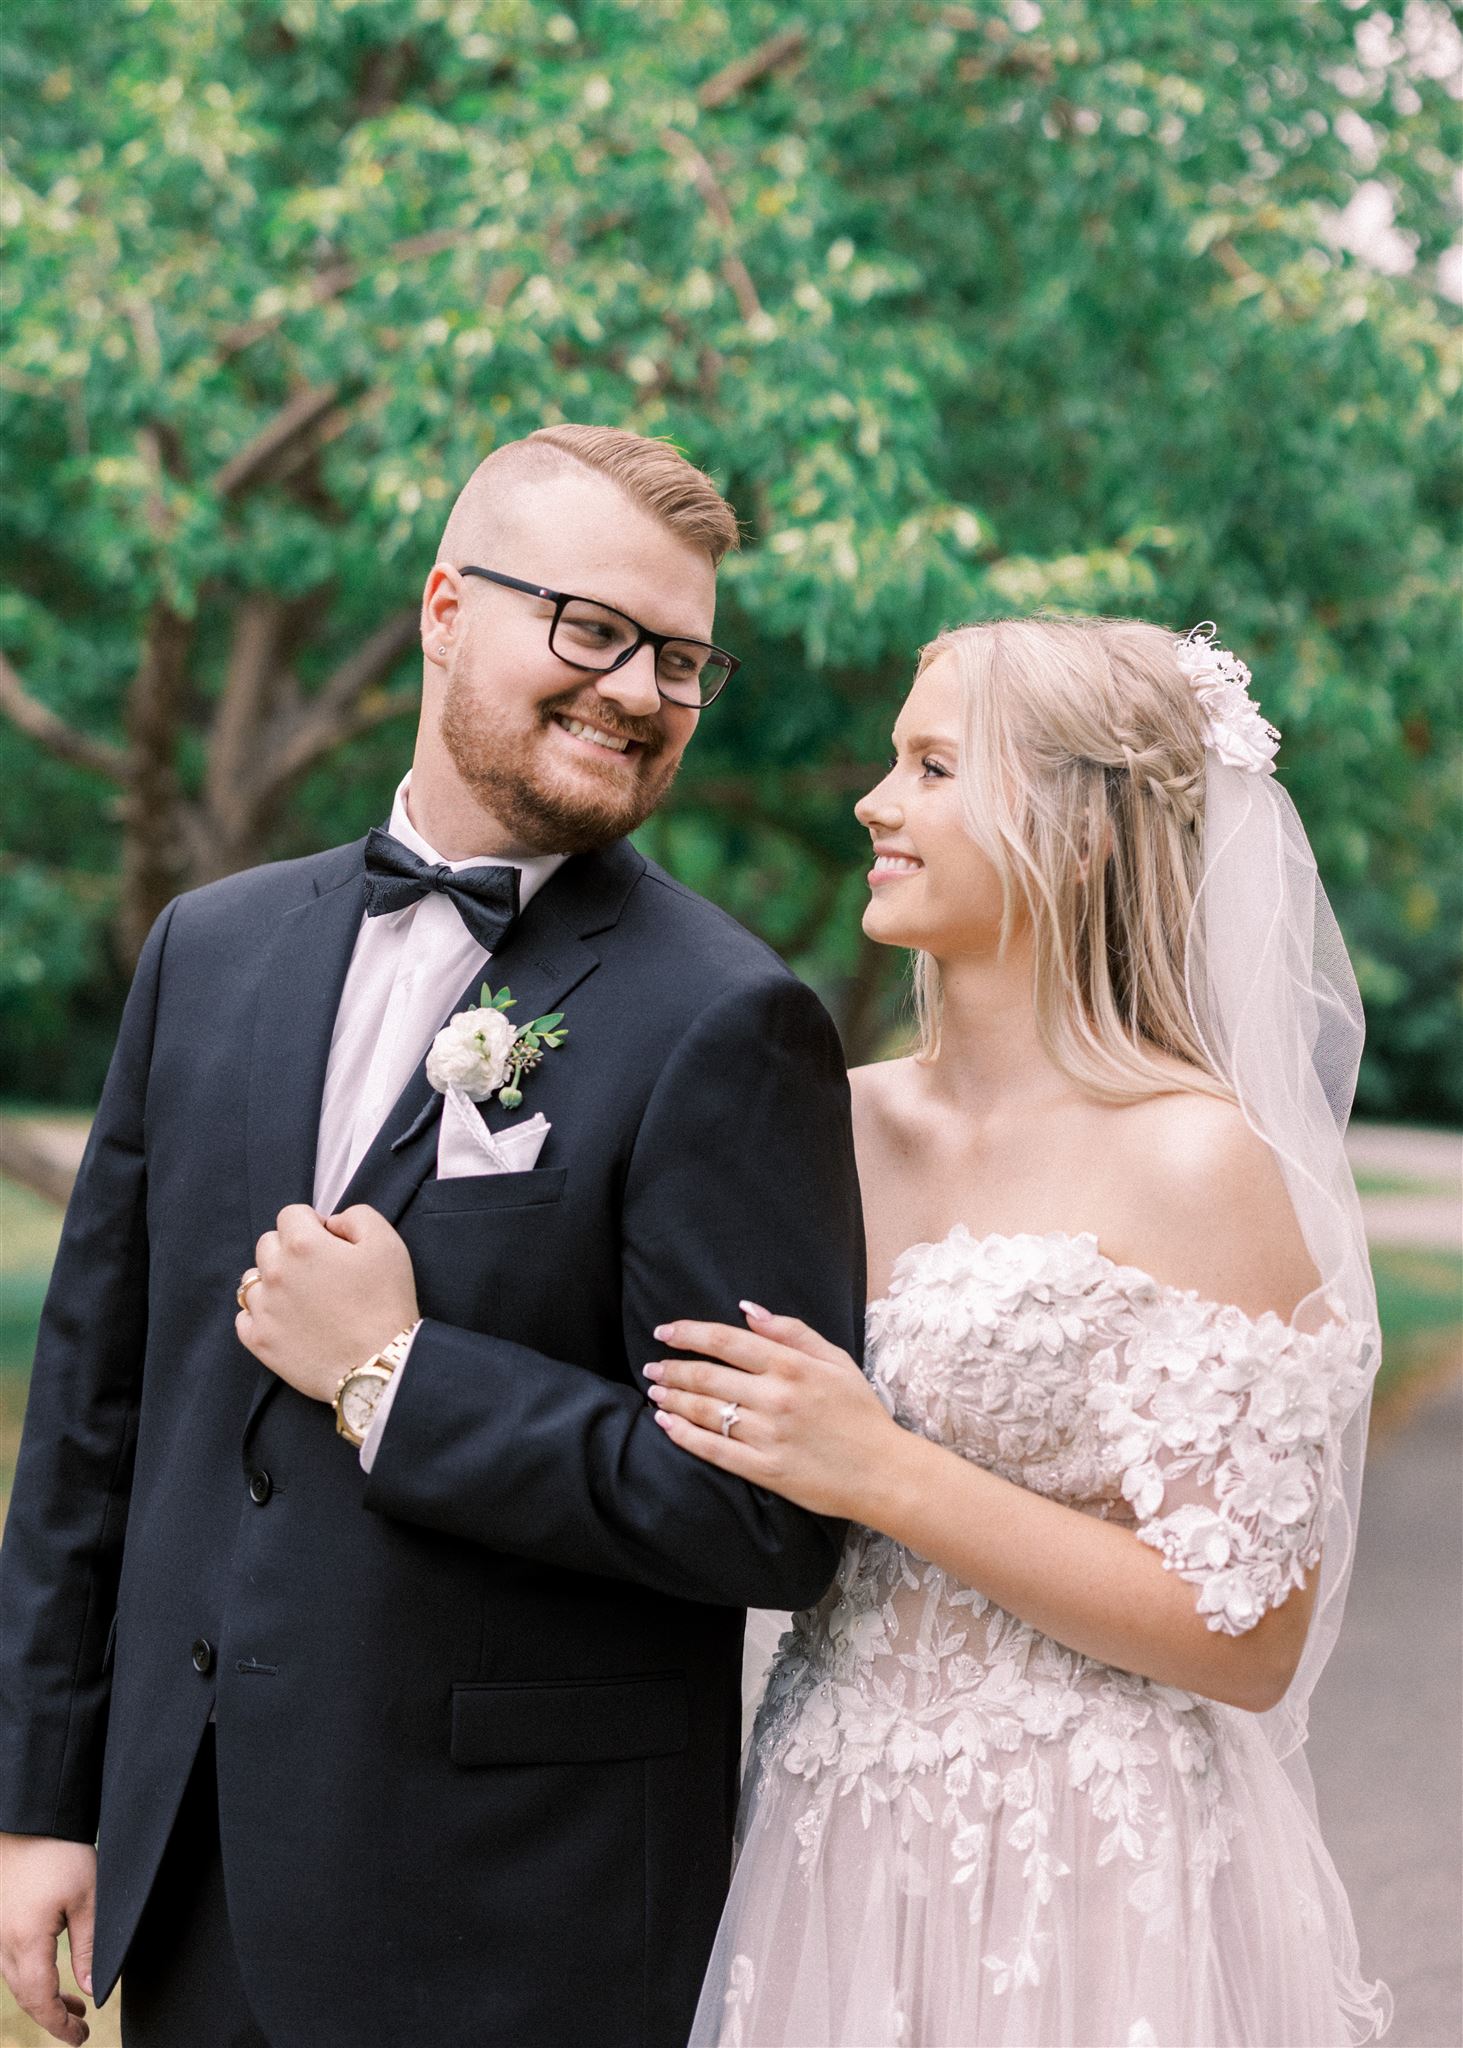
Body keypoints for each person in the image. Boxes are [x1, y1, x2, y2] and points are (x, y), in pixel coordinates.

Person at [0, 424, 864, 2048]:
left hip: (515, 1914)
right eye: (592, 628)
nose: (639, 690)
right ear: (445, 605)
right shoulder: (213, 947)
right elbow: (98, 1412)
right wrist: (43, 1800)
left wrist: (402, 1380)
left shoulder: (729, 1022)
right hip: (192, 1876)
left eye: (682, 658)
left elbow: (767, 1520)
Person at [648, 616, 1392, 2045]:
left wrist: (887, 1473)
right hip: (828, 1830)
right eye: (892, 763)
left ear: (1083, 828)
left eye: (933, 767)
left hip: (1087, 1868)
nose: (876, 801)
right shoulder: (822, 1123)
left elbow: (1246, 1638)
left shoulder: (1198, 1162)